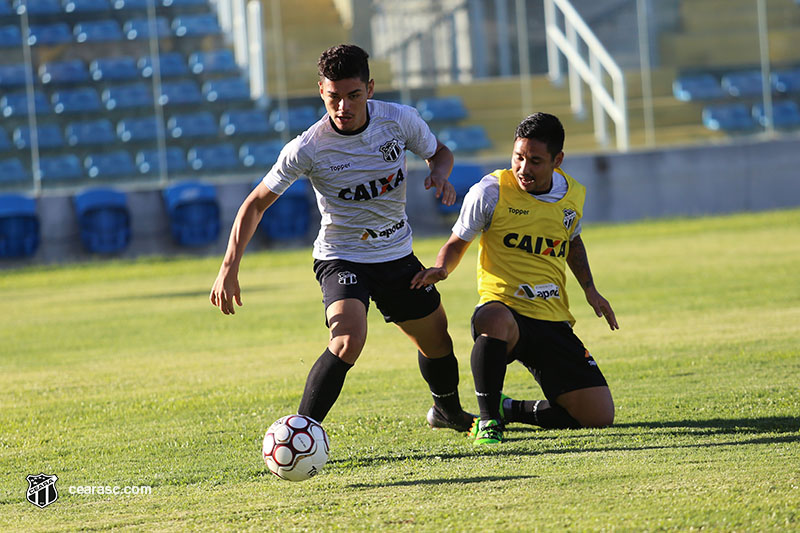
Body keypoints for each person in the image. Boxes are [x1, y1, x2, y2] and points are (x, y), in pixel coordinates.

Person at [210, 44, 474, 432]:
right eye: (334, 97)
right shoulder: (308, 147)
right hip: (342, 257)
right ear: (321, 91)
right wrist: (228, 268)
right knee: (348, 338)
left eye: (353, 95)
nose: (343, 107)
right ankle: (301, 432)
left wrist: (440, 173)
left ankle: (447, 412)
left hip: (397, 254)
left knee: (437, 342)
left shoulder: (400, 120)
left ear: (369, 88)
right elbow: (254, 205)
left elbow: (440, 153)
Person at [410, 112, 618, 445]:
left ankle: (509, 409)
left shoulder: (572, 195)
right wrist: (442, 269)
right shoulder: (491, 192)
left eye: (535, 161)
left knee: (597, 416)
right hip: (504, 312)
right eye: (518, 157)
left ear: (557, 160)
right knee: (492, 316)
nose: (523, 168)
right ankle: (490, 420)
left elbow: (572, 240)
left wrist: (591, 291)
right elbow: (457, 241)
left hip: (552, 318)